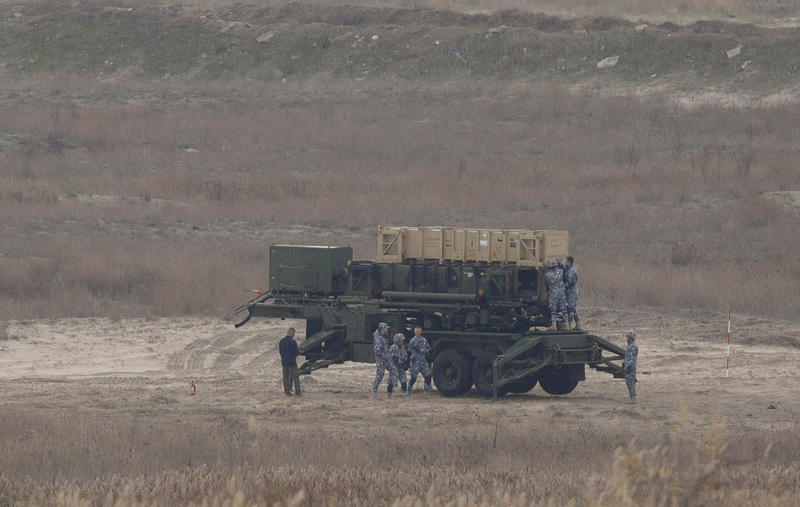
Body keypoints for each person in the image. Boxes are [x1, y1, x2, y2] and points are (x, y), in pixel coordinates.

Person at [372, 323, 398, 398]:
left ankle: (390, 389)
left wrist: (389, 353)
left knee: (394, 370)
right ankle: (375, 391)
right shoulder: (378, 338)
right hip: (381, 359)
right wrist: (385, 355)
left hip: (387, 358)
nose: (387, 329)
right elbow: (377, 350)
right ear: (382, 329)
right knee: (380, 374)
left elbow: (386, 347)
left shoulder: (384, 336)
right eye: (386, 328)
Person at [407, 326, 432, 394]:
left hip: (423, 361)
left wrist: (427, 351)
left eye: (419, 331)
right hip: (415, 361)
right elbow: (410, 350)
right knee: (414, 376)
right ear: (414, 332)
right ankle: (409, 387)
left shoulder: (424, 340)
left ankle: (427, 387)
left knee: (428, 375)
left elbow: (428, 347)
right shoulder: (412, 341)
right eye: (416, 331)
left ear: (421, 332)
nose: (418, 333)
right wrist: (412, 356)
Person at [544, 258, 566, 331]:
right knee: (564, 311)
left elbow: (546, 285)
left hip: (553, 295)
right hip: (562, 294)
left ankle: (554, 326)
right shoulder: (561, 272)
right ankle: (566, 326)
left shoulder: (547, 275)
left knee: (553, 312)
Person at [279, 327, 301, 396]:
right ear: (292, 333)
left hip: (284, 362)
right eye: (293, 334)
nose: (293, 335)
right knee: (296, 377)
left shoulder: (281, 341)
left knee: (285, 377)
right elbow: (296, 352)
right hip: (292, 363)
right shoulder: (293, 342)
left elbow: (280, 352)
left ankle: (287, 392)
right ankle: (297, 393)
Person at [563, 256, 580, 331]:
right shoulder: (572, 269)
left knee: (571, 310)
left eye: (565, 261)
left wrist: (563, 286)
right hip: (573, 291)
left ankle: (569, 326)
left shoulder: (571, 271)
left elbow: (570, 282)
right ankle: (578, 325)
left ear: (569, 262)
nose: (564, 262)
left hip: (571, 292)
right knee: (574, 308)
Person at [623, 331, 639, 402]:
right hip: (630, 367)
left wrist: (627, 366)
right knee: (629, 382)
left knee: (630, 383)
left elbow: (632, 359)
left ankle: (633, 398)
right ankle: (632, 397)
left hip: (630, 367)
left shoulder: (633, 346)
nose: (626, 338)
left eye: (627, 337)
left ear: (630, 338)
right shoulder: (630, 346)